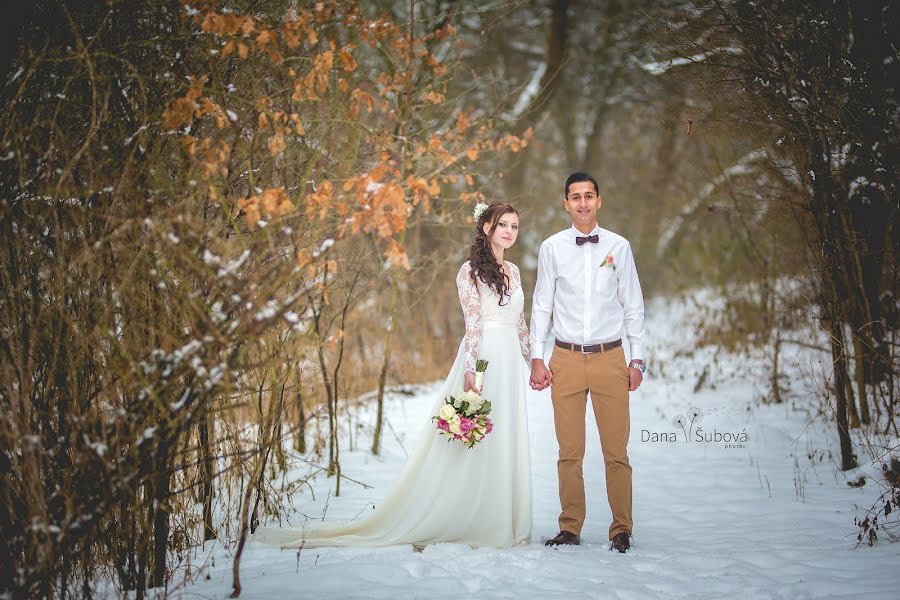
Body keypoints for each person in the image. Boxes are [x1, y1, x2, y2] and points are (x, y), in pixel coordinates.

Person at [254, 202, 532, 549]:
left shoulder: (515, 272)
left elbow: (519, 323)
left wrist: (533, 360)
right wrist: (471, 371)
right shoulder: (470, 272)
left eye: (515, 226)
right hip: (486, 358)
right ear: (486, 227)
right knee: (477, 439)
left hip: (510, 363)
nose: (509, 231)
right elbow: (473, 325)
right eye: (502, 224)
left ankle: (504, 514)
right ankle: (476, 517)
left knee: (505, 433)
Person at [529, 171, 645, 553]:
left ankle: (621, 529)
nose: (582, 202)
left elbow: (633, 307)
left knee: (616, 451)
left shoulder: (620, 247)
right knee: (569, 451)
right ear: (566, 204)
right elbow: (542, 305)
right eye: (575, 197)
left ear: (599, 201)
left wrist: (637, 359)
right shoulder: (551, 248)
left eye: (588, 196)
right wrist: (536, 357)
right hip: (564, 357)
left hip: (610, 357)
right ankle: (570, 526)